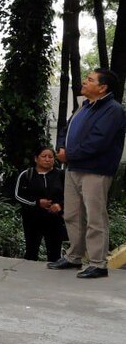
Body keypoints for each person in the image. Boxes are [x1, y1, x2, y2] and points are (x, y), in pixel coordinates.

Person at [47, 68, 126, 279]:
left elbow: (98, 142)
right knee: (73, 215)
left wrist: (69, 155)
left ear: (102, 88)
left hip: (96, 171)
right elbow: (66, 130)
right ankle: (74, 256)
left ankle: (98, 263)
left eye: (90, 80)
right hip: (73, 168)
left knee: (95, 217)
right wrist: (62, 148)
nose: (84, 82)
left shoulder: (113, 110)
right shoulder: (85, 107)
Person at [14, 147, 66, 261]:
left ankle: (53, 277)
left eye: (50, 157)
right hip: (32, 220)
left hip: (54, 220)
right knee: (31, 252)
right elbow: (18, 195)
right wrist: (37, 203)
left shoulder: (61, 175)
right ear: (36, 159)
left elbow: (72, 195)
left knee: (54, 254)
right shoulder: (27, 175)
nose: (47, 159)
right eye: (44, 156)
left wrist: (60, 206)